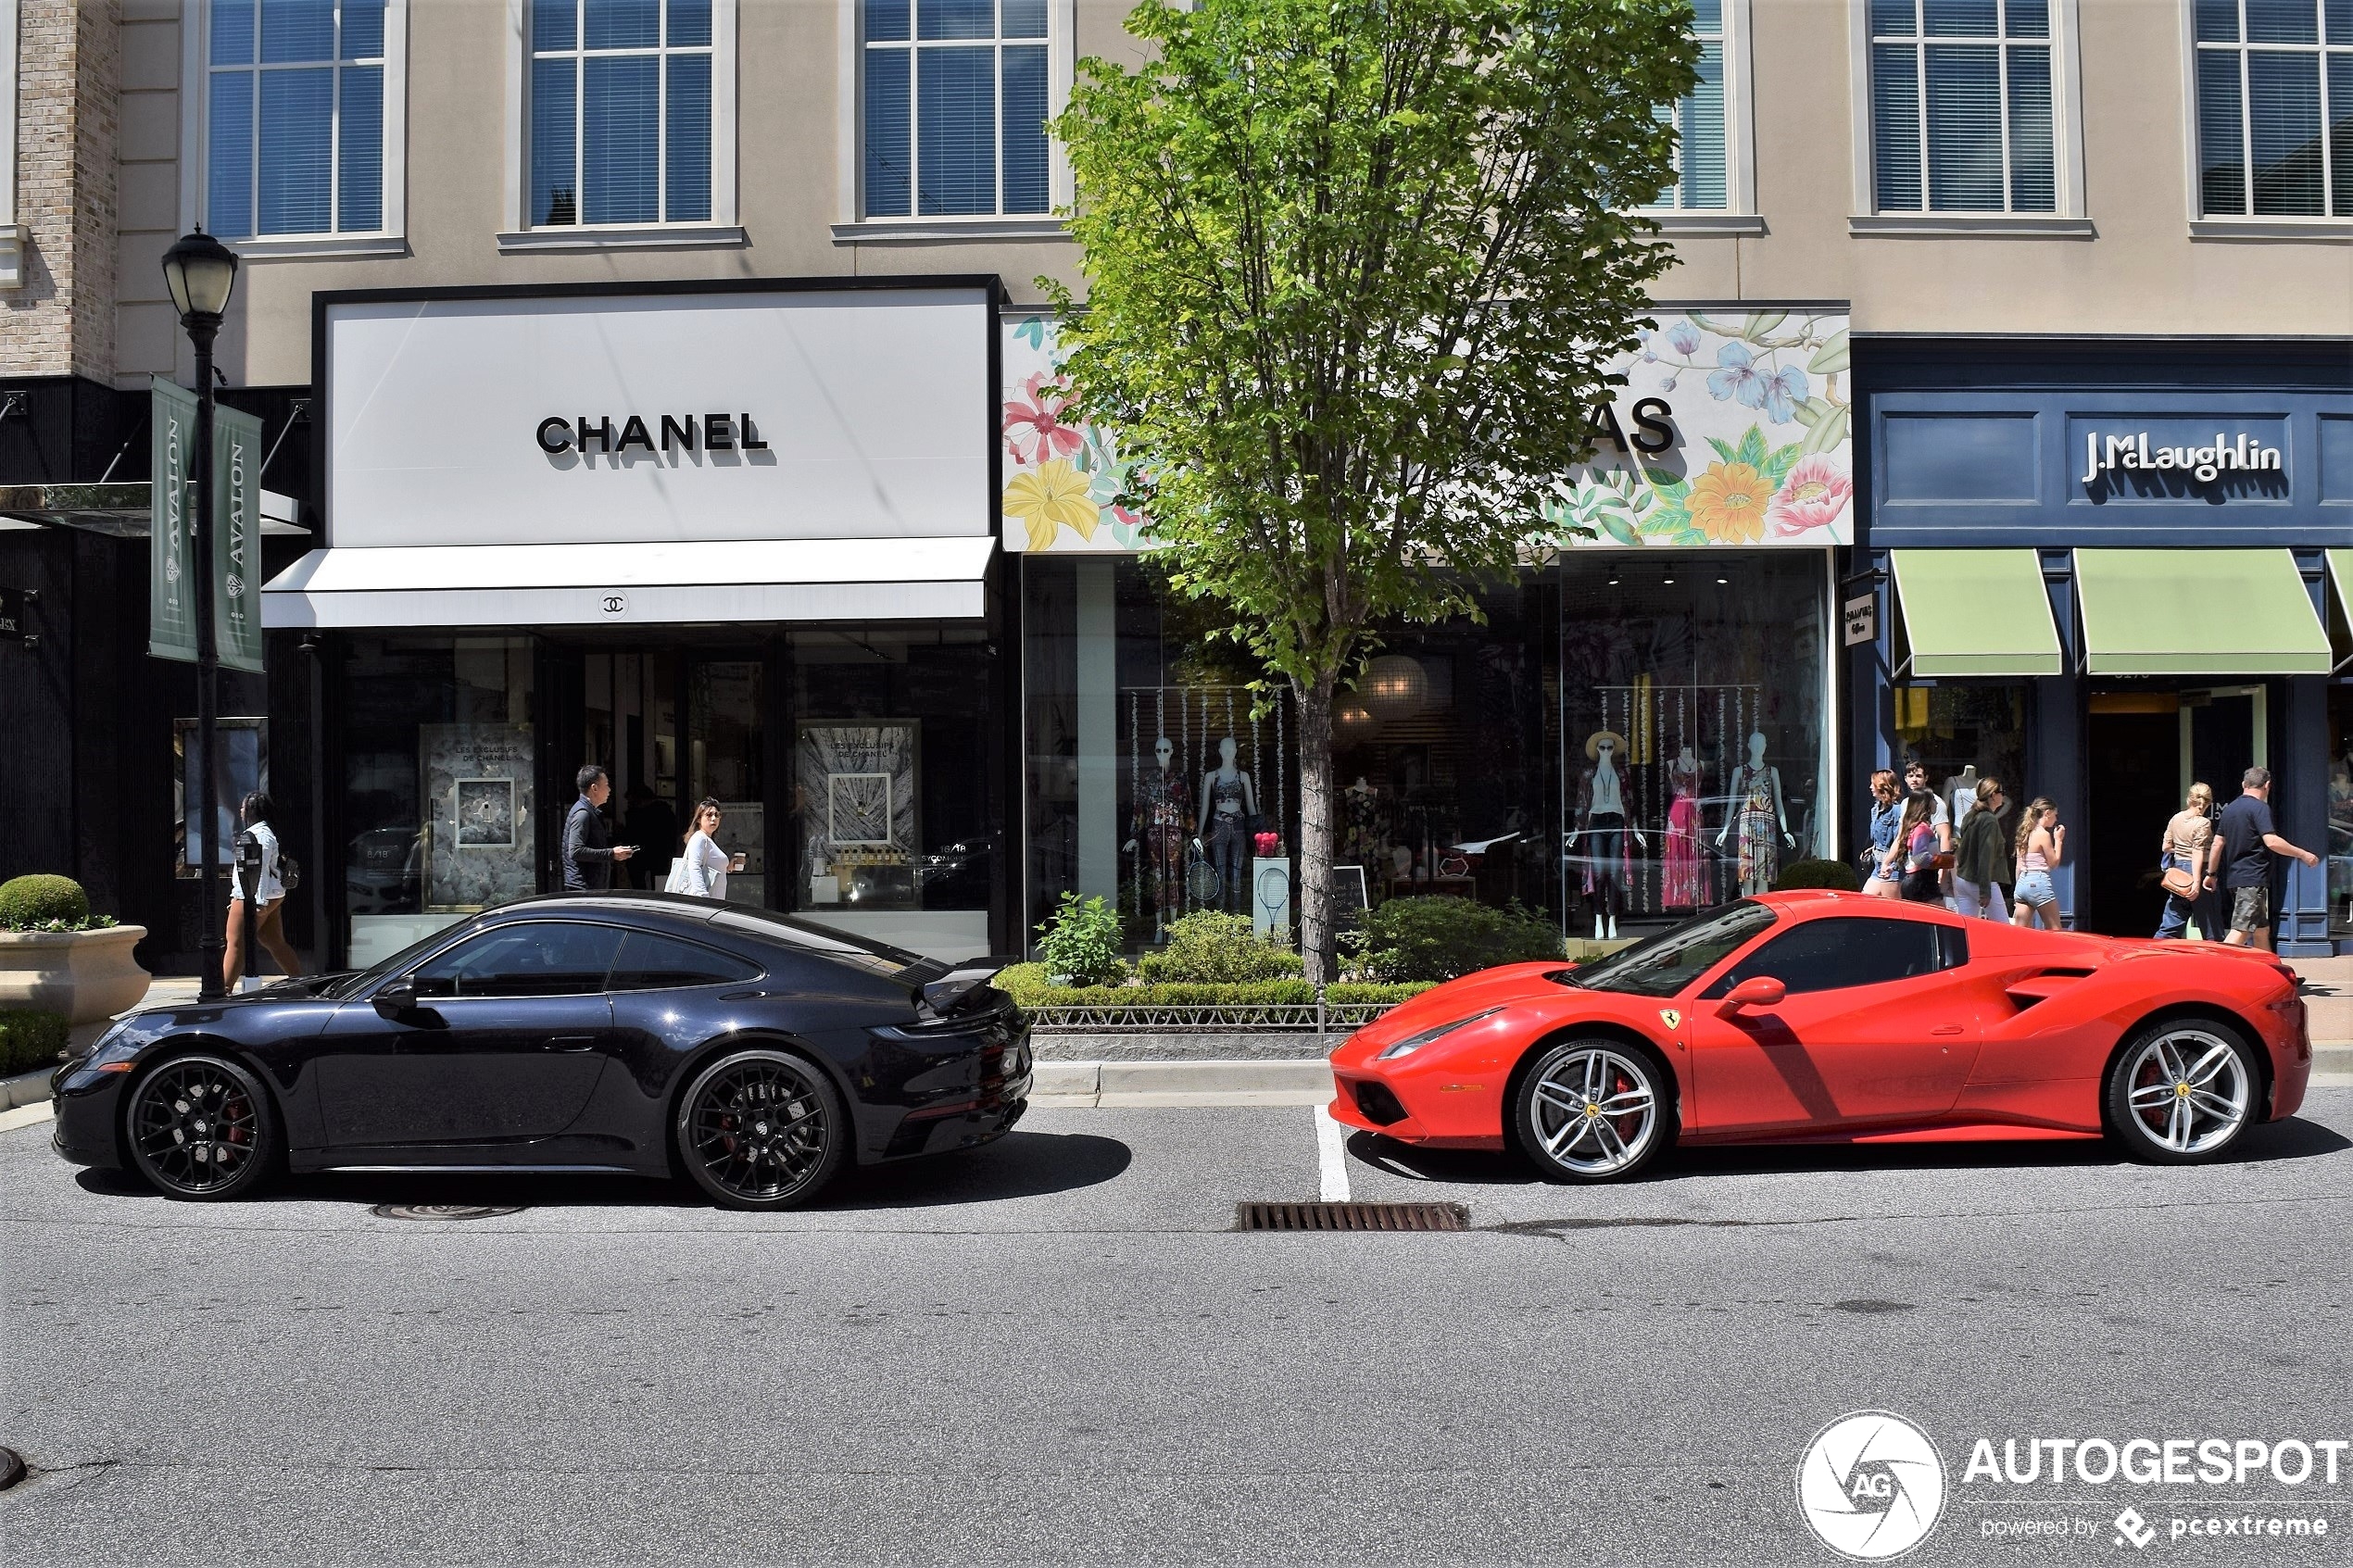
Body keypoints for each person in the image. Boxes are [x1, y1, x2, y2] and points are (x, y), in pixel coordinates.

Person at [2214, 767, 2320, 951]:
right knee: (2241, 930)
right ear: (2268, 785)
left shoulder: (2230, 809)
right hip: (2252, 879)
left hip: (2236, 879)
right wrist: (2303, 854)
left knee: (2261, 930)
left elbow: (2217, 843)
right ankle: (2212, 972)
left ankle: (2273, 971)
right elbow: (2271, 841)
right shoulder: (2260, 808)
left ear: (2243, 784)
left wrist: (2211, 873)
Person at [223, 790, 303, 990]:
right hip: (272, 896)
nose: (241, 810)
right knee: (274, 942)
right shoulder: (264, 832)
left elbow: (257, 869)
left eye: (243, 807)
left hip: (254, 897)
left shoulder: (259, 835)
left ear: (251, 810)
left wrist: (256, 902)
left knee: (235, 944)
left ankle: (222, 990)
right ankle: (301, 982)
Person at [2154, 782, 2221, 941]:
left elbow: (2166, 847)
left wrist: (2181, 850)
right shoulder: (2203, 823)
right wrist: (2197, 881)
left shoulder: (2176, 818)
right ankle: (2216, 960)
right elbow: (2197, 851)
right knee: (2210, 924)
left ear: (2189, 799)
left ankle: (2155, 952)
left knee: (2172, 921)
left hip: (2178, 871)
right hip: (2198, 871)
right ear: (2208, 802)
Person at [561, 765, 634, 891]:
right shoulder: (582, 813)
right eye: (606, 785)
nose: (609, 790)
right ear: (594, 788)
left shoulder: (591, 812)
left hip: (590, 885)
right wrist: (611, 854)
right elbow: (575, 851)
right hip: (583, 888)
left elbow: (593, 844)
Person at [1952, 777, 2011, 920]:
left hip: (1964, 879)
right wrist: (1985, 891)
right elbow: (1985, 855)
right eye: (2001, 792)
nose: (2003, 795)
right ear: (1993, 795)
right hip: (1980, 882)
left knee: (1966, 929)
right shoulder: (1989, 820)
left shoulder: (1971, 815)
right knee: (2003, 930)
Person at [665, 797, 743, 899]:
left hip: (715, 902)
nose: (714, 818)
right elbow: (694, 867)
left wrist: (729, 867)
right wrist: (703, 897)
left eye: (717, 815)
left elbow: (710, 868)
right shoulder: (699, 838)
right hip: (707, 904)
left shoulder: (708, 840)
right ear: (698, 819)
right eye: (709, 815)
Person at [2010, 797, 2064, 929]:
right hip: (2039, 883)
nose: (2056, 819)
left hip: (2022, 883)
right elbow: (2053, 863)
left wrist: (2018, 889)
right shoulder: (2043, 834)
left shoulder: (2024, 833)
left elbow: (2018, 865)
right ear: (2047, 813)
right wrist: (2059, 840)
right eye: (2055, 815)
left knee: (2020, 933)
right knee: (2055, 930)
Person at [622, 784, 679, 891]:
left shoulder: (640, 814)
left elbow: (633, 836)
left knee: (643, 888)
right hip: (659, 857)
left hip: (646, 857)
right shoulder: (665, 811)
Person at [1895, 788, 1944, 903]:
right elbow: (1919, 857)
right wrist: (1941, 861)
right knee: (1942, 918)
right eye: (1933, 799)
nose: (1936, 803)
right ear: (1925, 804)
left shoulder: (1915, 826)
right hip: (1922, 883)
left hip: (1917, 881)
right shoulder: (1922, 828)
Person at [1864, 769, 1905, 899]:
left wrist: (1890, 864)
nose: (1870, 787)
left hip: (1891, 867)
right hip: (1878, 865)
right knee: (1865, 900)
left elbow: (1900, 839)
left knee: (1893, 909)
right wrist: (1872, 849)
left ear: (1882, 786)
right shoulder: (1876, 809)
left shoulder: (1896, 810)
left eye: (1873, 784)